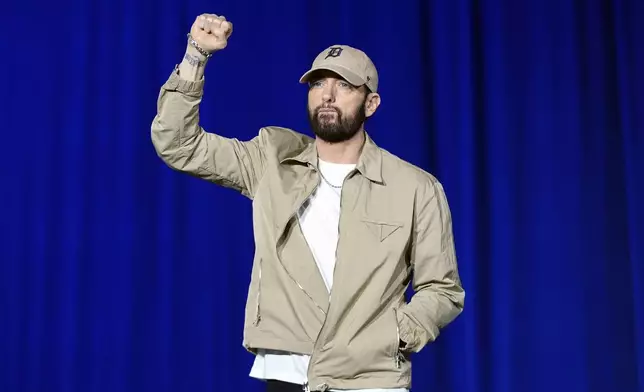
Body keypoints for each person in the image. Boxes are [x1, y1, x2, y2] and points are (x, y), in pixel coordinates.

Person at [151, 12, 465, 392]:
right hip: (286, 373)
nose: (327, 95)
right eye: (318, 84)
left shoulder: (416, 187)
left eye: (344, 86)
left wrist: (394, 335)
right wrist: (196, 54)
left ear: (371, 103)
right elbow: (178, 145)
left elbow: (443, 290)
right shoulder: (270, 158)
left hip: (370, 379)